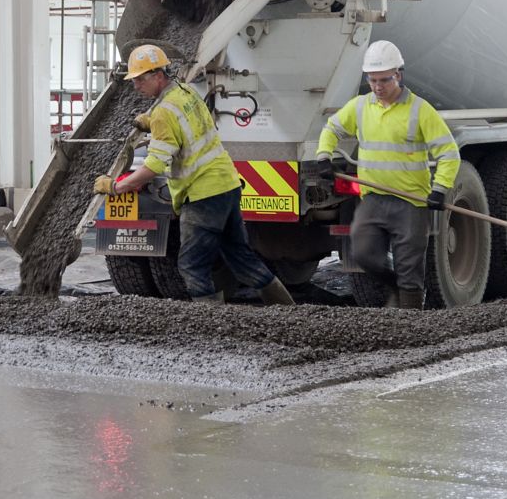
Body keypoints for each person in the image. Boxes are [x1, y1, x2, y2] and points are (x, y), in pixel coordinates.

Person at [94, 44, 294, 305]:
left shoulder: (164, 113)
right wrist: (152, 120)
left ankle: (210, 322)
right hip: (227, 185)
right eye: (134, 80)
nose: (136, 86)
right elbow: (185, 123)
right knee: (240, 256)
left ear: (158, 75)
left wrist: (115, 187)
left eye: (141, 79)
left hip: (204, 194)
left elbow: (154, 167)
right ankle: (288, 310)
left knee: (191, 264)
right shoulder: (185, 91)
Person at [316, 40, 460, 310]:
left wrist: (440, 188)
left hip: (411, 203)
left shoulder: (420, 110)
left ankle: (411, 321)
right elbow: (331, 129)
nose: (378, 87)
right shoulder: (359, 107)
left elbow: (449, 153)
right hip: (372, 200)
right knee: (364, 255)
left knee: (410, 270)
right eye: (372, 80)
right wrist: (325, 155)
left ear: (399, 75)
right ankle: (394, 286)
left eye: (384, 80)